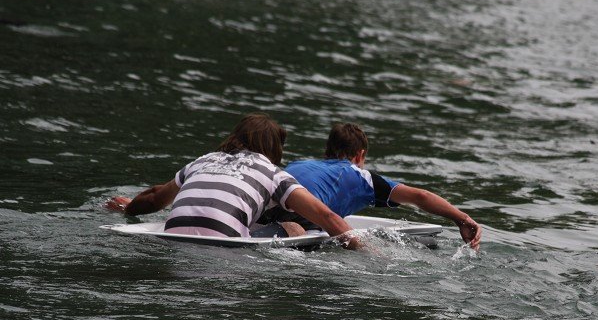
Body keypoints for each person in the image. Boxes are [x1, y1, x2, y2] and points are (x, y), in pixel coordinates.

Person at [105, 113, 360, 248]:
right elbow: (325, 216)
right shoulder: (273, 173)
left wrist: (128, 208)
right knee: (295, 228)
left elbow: (154, 198)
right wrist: (365, 250)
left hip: (172, 239)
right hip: (225, 251)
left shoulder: (203, 160)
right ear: (274, 150)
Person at [259, 122, 482, 250]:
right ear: (360, 154)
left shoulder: (300, 164)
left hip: (264, 209)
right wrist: (461, 218)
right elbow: (420, 196)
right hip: (298, 216)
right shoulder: (358, 175)